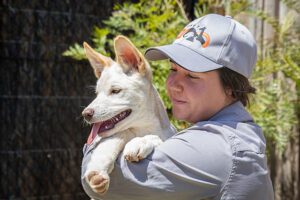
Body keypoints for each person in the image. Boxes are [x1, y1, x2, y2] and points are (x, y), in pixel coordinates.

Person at [81, 14, 274, 200]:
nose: (172, 84)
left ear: (231, 86)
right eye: (173, 69)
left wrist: (105, 134)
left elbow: (106, 185)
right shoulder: (231, 131)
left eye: (192, 75)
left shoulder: (216, 147)